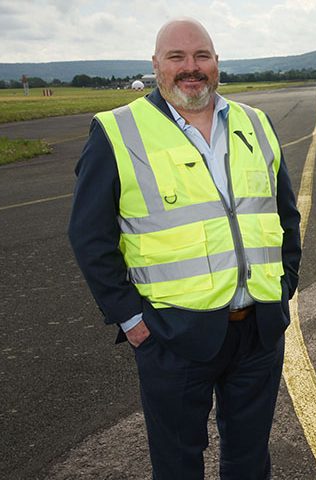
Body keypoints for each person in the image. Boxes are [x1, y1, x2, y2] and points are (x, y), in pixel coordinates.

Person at [68, 17, 301, 480]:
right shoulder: (118, 131)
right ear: (156, 66)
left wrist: (284, 285)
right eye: (177, 57)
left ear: (217, 63)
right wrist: (132, 319)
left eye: (202, 56)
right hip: (172, 334)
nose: (191, 67)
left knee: (250, 459)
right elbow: (88, 235)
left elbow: (285, 214)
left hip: (258, 331)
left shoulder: (256, 123)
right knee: (177, 464)